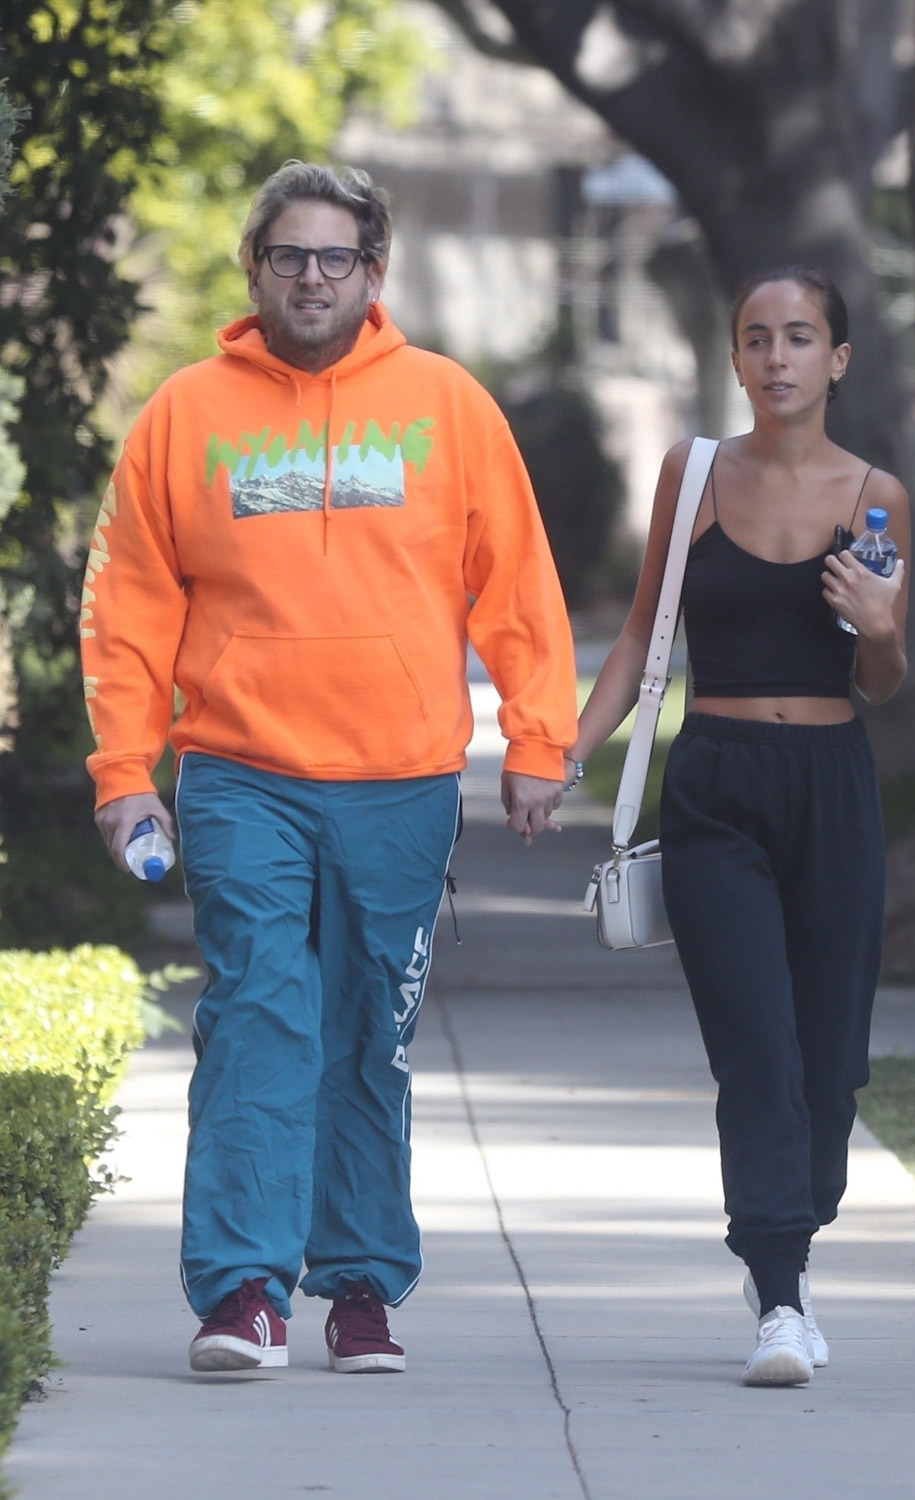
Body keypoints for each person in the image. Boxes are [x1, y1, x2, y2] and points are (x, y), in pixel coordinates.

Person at [81, 160, 576, 1375]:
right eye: (290, 255)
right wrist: (123, 771)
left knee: (367, 1036)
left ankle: (359, 1287)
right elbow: (129, 609)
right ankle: (243, 1290)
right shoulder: (185, 415)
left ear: (374, 272)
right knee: (259, 1014)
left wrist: (537, 737)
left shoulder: (447, 406)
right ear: (254, 268)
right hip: (242, 771)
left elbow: (514, 580)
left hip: (401, 780)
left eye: (336, 258)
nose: (313, 277)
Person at [568, 266, 909, 1387]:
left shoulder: (877, 496)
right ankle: (779, 1295)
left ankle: (795, 1222)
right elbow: (634, 636)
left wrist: (880, 628)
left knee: (828, 1069)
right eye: (755, 338)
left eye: (799, 337)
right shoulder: (694, 473)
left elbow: (885, 681)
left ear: (836, 360)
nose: (775, 357)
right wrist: (566, 751)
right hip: (715, 783)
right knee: (757, 1053)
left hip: (829, 784)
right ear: (735, 359)